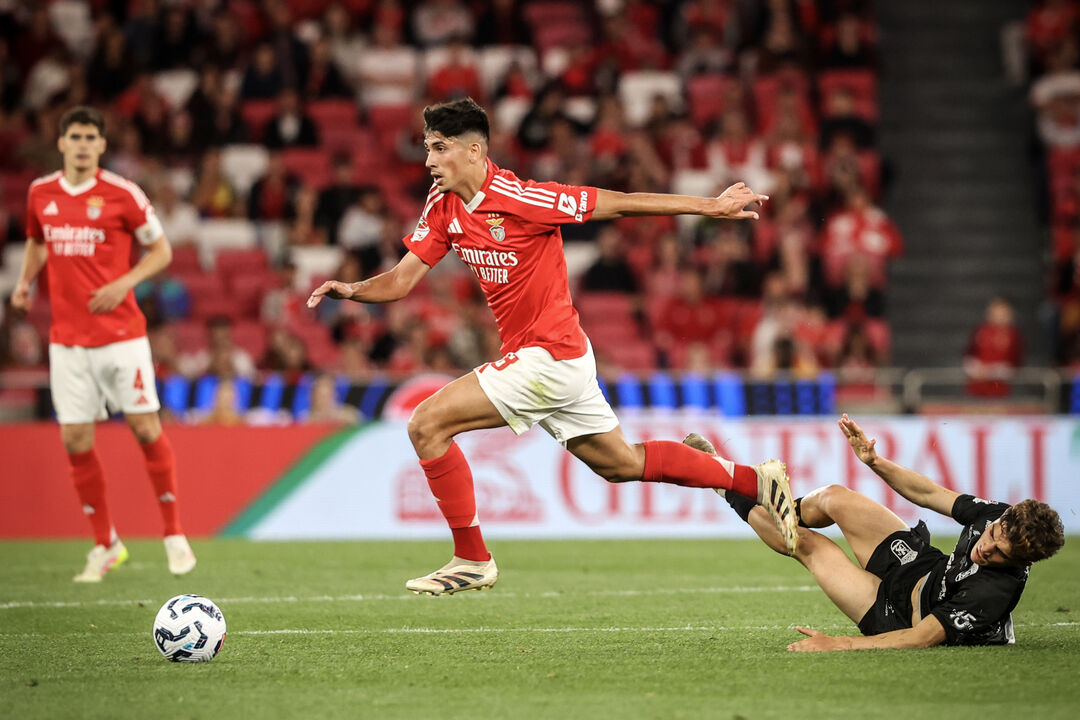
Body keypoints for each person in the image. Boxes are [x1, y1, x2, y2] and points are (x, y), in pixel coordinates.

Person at [308, 97, 798, 596]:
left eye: (439, 148)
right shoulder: (444, 207)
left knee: (426, 424)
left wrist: (710, 206)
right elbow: (401, 279)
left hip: (549, 356)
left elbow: (621, 201)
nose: (429, 160)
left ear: (475, 151)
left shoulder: (524, 199)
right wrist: (353, 291)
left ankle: (472, 558)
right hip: (561, 359)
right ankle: (754, 480)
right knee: (621, 464)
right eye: (427, 148)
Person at [689, 414, 1064, 651]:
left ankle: (724, 483)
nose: (987, 549)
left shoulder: (993, 593)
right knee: (835, 497)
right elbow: (930, 493)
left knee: (806, 544)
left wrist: (840, 644)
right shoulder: (997, 515)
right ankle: (772, 499)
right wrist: (874, 461)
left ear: (1025, 560)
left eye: (1001, 554)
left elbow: (919, 638)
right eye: (992, 536)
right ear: (1004, 516)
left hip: (901, 615)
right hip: (923, 569)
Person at [12, 106, 196, 582]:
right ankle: (105, 544)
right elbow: (36, 241)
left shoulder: (122, 194)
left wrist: (124, 284)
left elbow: (161, 250)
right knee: (74, 438)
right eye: (74, 136)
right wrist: (24, 282)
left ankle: (173, 534)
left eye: (90, 137)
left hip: (121, 336)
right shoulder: (41, 193)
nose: (81, 144)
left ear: (101, 145)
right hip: (67, 341)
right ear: (61, 143)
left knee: (144, 429)